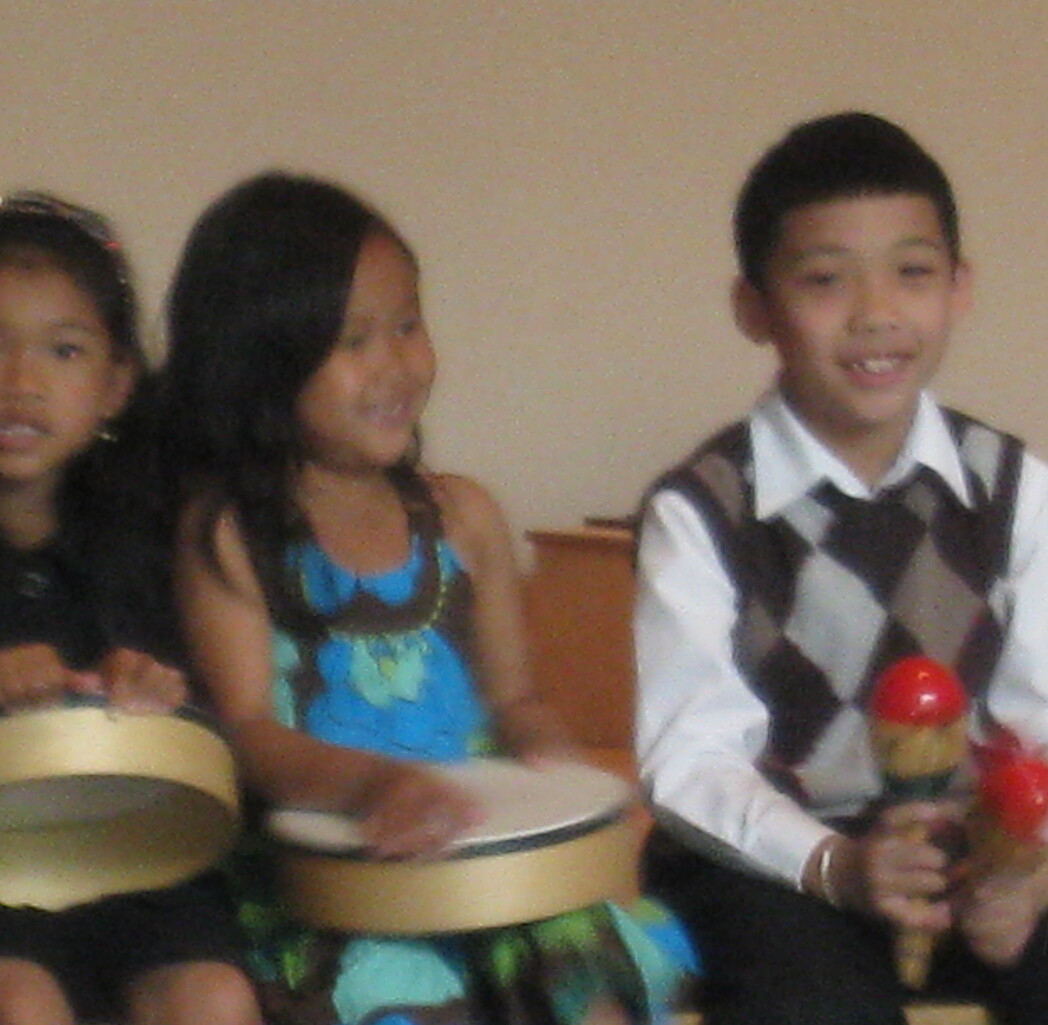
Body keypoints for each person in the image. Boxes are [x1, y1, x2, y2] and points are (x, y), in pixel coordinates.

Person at [633, 111, 1048, 1025]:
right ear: (754, 307)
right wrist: (836, 865)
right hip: (784, 869)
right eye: (825, 279)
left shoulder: (1010, 489)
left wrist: (1038, 865)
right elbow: (692, 757)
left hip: (983, 858)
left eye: (912, 272)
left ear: (958, 287)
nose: (877, 312)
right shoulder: (702, 510)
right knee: (813, 1007)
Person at [162, 172, 693, 1025]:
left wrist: (568, 784)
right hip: (345, 884)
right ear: (263, 364)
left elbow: (516, 699)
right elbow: (249, 730)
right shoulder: (232, 535)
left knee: (591, 991)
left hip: (492, 861)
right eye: (354, 340)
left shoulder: (465, 518)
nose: (397, 364)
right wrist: (373, 786)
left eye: (407, 324)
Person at [0, 194, 262, 1025]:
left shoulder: (159, 533)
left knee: (213, 996)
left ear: (115, 385)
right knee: (18, 1000)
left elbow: (221, 724)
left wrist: (158, 692)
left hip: (138, 852)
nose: (20, 382)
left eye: (64, 350)